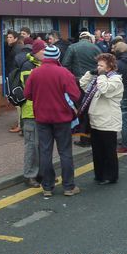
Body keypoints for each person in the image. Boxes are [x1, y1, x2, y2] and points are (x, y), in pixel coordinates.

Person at [24, 44, 82, 198]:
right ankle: (69, 186)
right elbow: (75, 95)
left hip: (42, 118)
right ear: (57, 57)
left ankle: (47, 187)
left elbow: (27, 94)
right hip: (62, 118)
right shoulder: (64, 72)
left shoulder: (35, 73)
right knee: (65, 152)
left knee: (45, 152)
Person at [79, 53, 124, 185]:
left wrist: (102, 75)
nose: (98, 68)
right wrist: (90, 73)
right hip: (95, 120)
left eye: (101, 65)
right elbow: (82, 84)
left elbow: (104, 90)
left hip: (108, 120)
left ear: (110, 67)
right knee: (97, 151)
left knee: (108, 151)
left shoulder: (116, 80)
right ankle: (99, 174)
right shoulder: (98, 78)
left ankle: (111, 176)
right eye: (97, 65)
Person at [18, 39, 45, 187]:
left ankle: (41, 173)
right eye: (43, 50)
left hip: (42, 110)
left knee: (42, 145)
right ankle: (29, 175)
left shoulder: (41, 65)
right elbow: (30, 88)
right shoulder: (28, 66)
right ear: (36, 52)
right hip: (30, 112)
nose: (45, 52)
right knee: (31, 145)